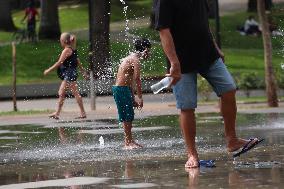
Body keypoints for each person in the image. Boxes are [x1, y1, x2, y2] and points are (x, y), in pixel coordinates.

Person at [154, 0, 262, 168]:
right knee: (187, 106)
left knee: (229, 89)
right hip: (181, 61)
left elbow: (202, 22)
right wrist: (174, 62)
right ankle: (192, 154)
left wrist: (216, 47)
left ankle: (232, 140)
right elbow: (163, 30)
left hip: (208, 54)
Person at [112, 38, 151, 149]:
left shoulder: (131, 58)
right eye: (149, 50)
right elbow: (137, 79)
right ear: (145, 50)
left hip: (123, 89)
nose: (149, 53)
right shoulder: (135, 60)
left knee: (128, 115)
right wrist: (140, 97)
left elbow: (129, 80)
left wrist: (132, 97)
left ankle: (129, 140)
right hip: (121, 89)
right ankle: (128, 142)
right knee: (127, 116)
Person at [44, 33, 88, 120]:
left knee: (66, 93)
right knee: (64, 93)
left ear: (63, 41)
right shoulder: (72, 48)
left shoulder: (67, 50)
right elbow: (77, 60)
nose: (60, 42)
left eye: (60, 40)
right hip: (71, 73)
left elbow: (59, 62)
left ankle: (80, 113)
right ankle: (58, 113)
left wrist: (49, 70)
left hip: (69, 74)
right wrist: (82, 71)